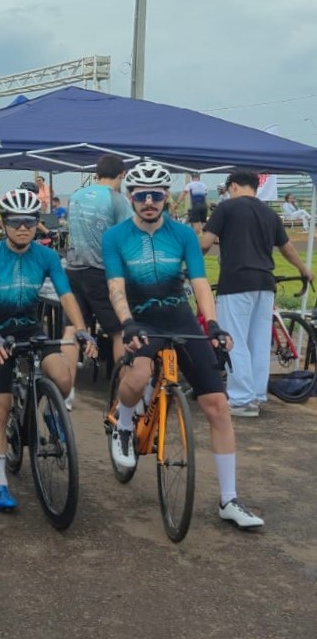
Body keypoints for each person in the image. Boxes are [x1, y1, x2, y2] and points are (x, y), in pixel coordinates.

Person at [102, 160, 263, 530]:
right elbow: (115, 286)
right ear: (130, 197)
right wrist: (127, 323)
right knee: (138, 373)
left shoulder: (184, 235)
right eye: (141, 195)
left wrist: (213, 324)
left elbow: (200, 282)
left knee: (217, 405)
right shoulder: (115, 237)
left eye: (156, 195)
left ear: (166, 196)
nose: (149, 202)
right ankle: (124, 425)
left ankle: (229, 499)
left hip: (179, 317)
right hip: (140, 317)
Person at [0, 187, 95, 511]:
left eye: (29, 221)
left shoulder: (47, 257)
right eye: (15, 221)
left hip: (31, 329)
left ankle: (50, 413)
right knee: (0, 408)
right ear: (3, 224)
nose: (23, 227)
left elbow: (66, 294)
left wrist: (81, 329)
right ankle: (0, 483)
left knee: (63, 377)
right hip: (0, 331)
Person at [201, 172, 315, 416]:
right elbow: (287, 248)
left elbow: (204, 243)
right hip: (265, 283)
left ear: (233, 186)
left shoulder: (226, 208)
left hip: (236, 281)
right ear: (254, 187)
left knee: (234, 339)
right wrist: (304, 269)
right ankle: (256, 395)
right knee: (259, 342)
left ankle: (241, 399)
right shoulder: (270, 213)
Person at [65, 154, 132, 375]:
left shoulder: (75, 196)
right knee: (119, 331)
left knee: (73, 328)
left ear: (97, 174)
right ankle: (124, 388)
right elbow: (128, 238)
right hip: (102, 272)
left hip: (73, 270)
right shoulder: (118, 200)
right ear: (122, 174)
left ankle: (64, 387)